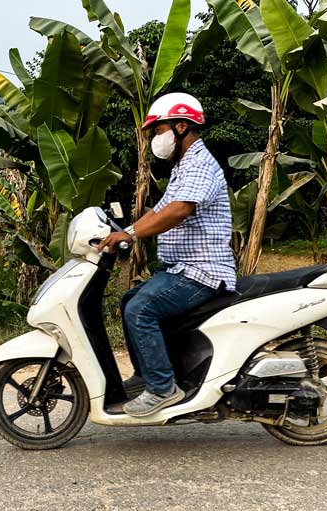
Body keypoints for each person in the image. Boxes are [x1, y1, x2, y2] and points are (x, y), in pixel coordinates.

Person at [98, 93, 237, 417]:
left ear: (181, 126)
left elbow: (177, 211)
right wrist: (125, 232)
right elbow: (158, 211)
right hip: (181, 270)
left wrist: (130, 234)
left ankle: (163, 388)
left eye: (158, 131)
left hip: (202, 271)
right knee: (129, 300)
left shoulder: (199, 163)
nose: (155, 139)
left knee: (141, 309)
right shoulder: (183, 167)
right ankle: (148, 376)